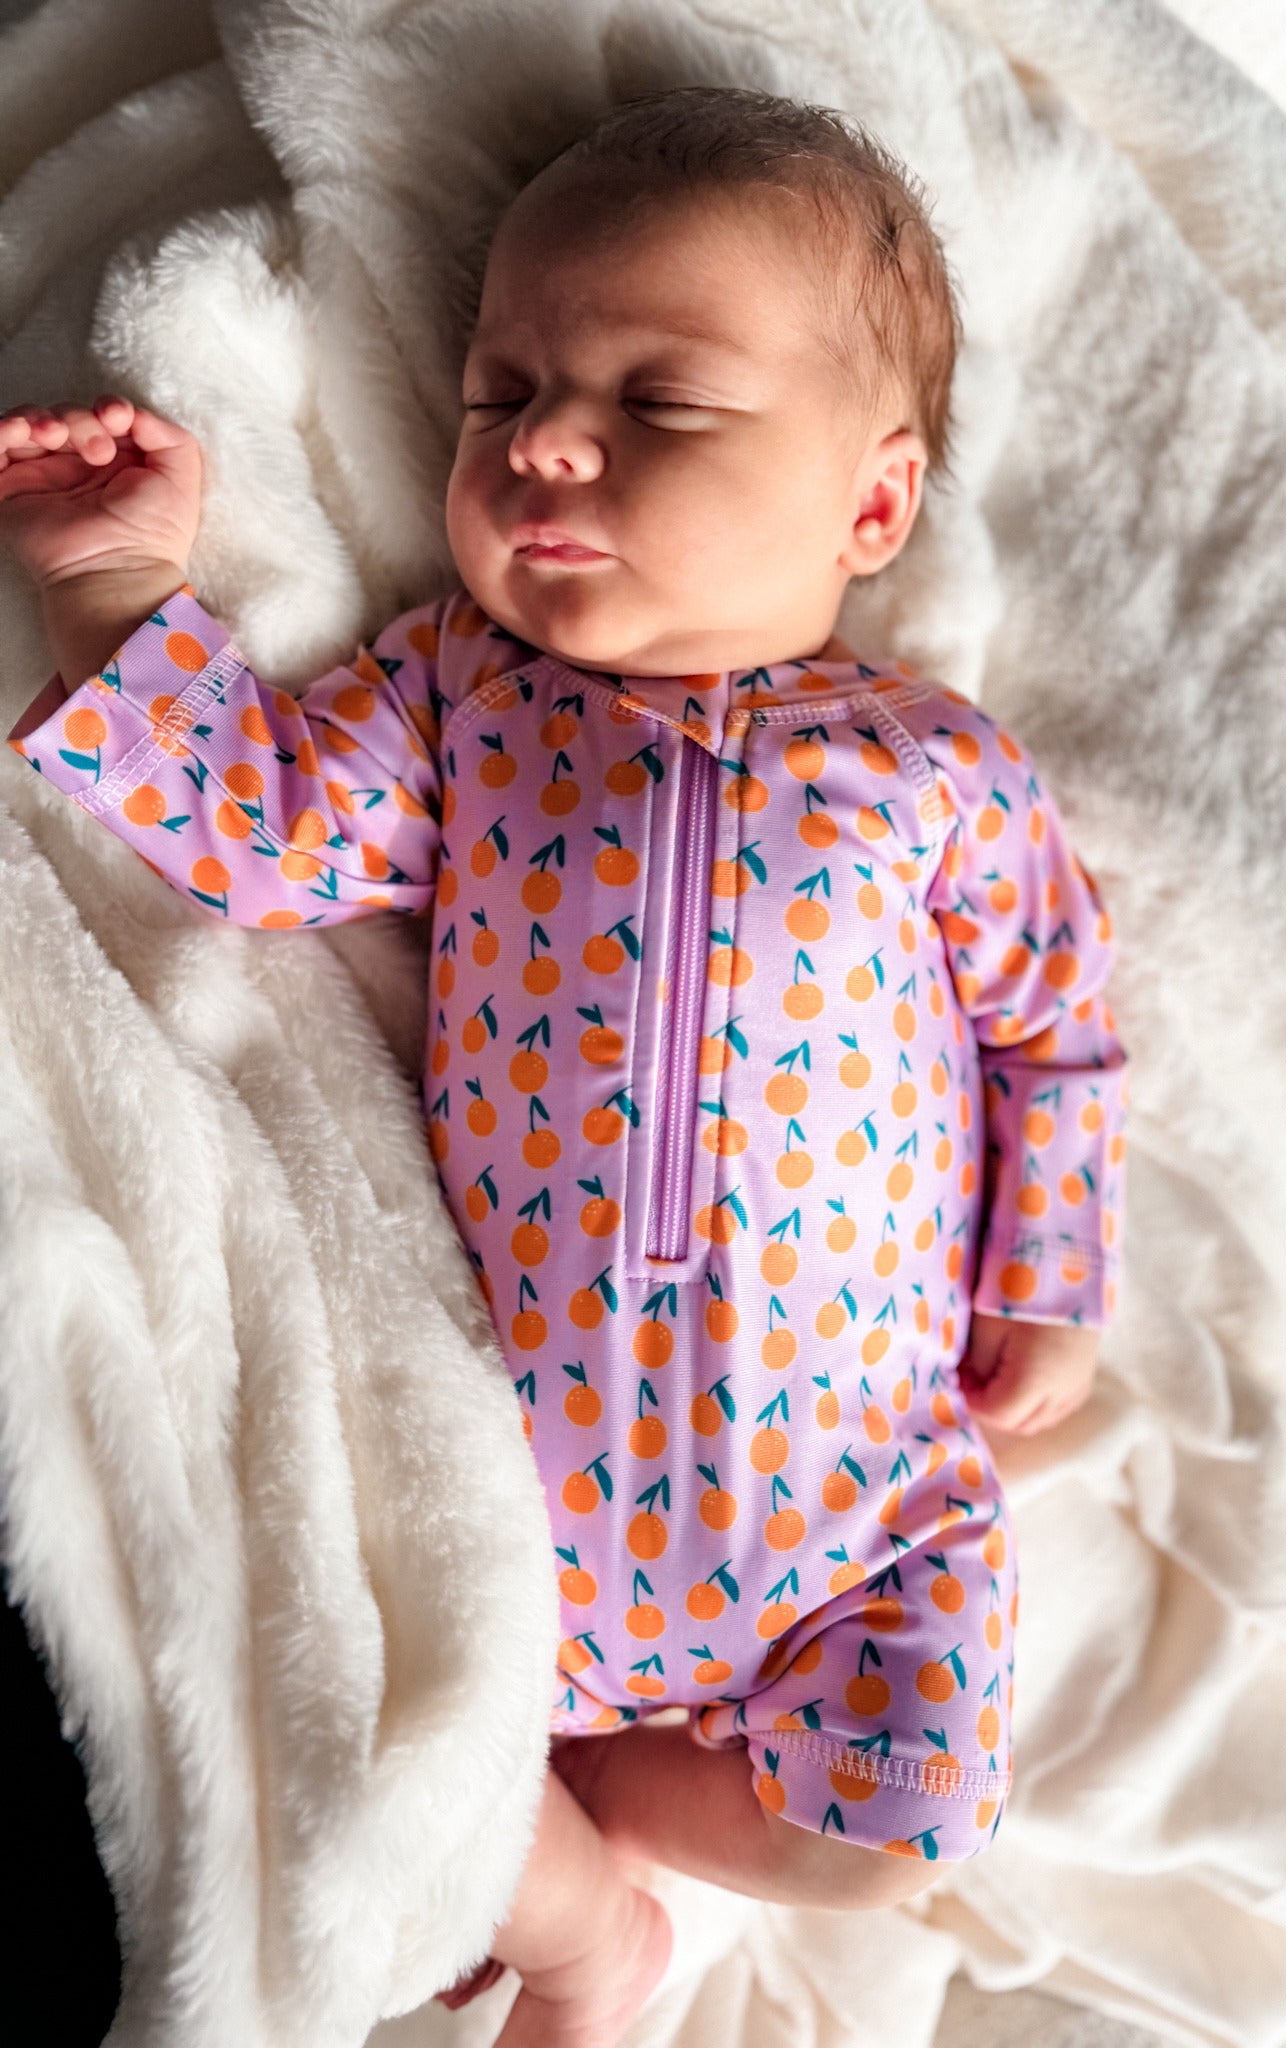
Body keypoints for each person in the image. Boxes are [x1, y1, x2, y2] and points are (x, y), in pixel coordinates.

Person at [2, 86, 1129, 2048]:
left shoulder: (930, 767)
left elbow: (1058, 1026)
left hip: (868, 1507)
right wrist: (110, 587)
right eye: (496, 389)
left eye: (655, 402)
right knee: (387, 1733)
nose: (541, 440)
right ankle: (587, 1919)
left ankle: (632, 1821)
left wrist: (1051, 1271)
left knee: (914, 1811)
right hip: (517, 1518)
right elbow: (262, 824)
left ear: (871, 504)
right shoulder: (467, 694)